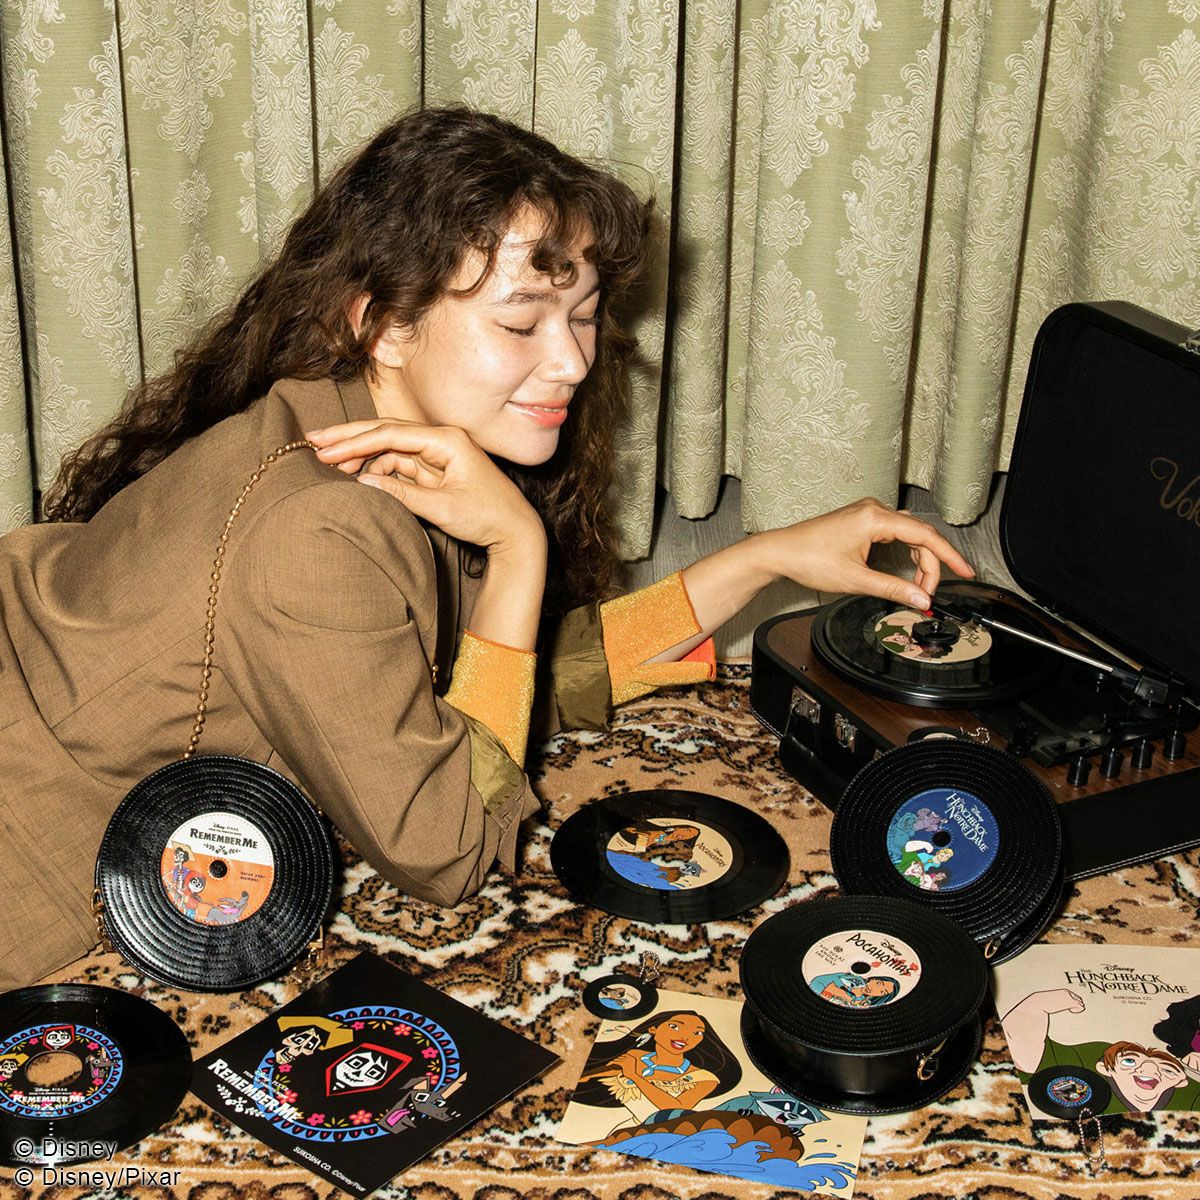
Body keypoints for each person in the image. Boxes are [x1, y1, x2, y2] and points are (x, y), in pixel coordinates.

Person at [0, 107, 972, 990]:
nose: (574, 360)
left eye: (582, 315)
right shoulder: (322, 533)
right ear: (381, 325)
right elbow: (453, 846)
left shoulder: (359, 424)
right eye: (521, 323)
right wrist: (518, 545)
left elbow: (514, 675)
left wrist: (762, 558)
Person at [574, 1010, 742, 1130]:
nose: (685, 1037)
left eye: (697, 1033)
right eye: (675, 1027)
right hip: (629, 1130)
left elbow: (675, 1110)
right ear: (653, 1028)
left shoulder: (705, 1078)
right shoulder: (634, 1056)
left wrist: (634, 1076)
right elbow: (590, 1077)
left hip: (671, 1134)